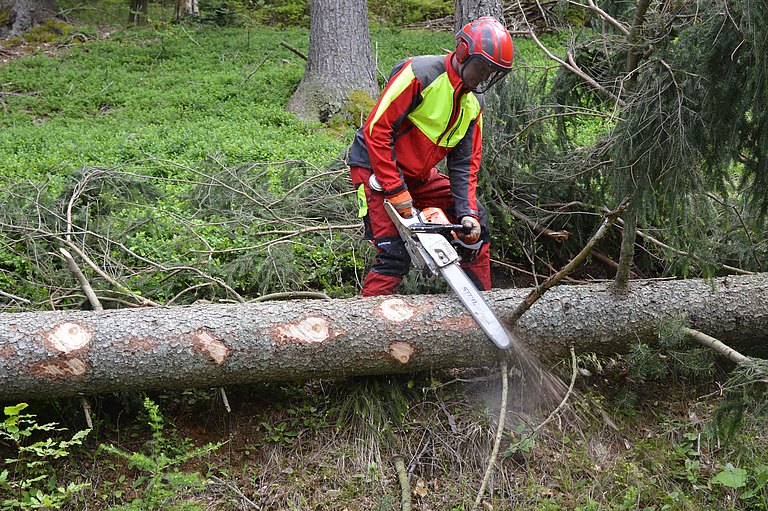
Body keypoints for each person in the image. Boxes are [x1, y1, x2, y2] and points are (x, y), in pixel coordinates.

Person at [347, 16, 514, 296]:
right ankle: (369, 324)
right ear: (463, 53)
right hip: (375, 167)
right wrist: (395, 189)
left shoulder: (474, 103)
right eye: (482, 67)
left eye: (492, 71)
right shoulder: (421, 74)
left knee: (476, 225)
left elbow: (464, 164)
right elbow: (377, 129)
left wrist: (466, 213)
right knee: (393, 252)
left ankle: (479, 301)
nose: (485, 76)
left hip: (419, 176)